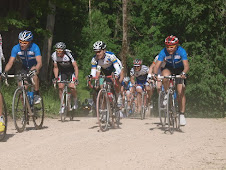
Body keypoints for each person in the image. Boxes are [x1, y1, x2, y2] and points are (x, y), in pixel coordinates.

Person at [153, 35, 189, 126]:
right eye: (167, 47)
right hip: (169, 68)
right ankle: (166, 93)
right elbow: (157, 65)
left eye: (171, 47)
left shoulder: (181, 51)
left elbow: (186, 66)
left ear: (176, 45)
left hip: (180, 69)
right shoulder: (163, 52)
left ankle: (181, 114)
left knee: (181, 92)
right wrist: (155, 74)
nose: (169, 49)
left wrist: (184, 73)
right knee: (165, 76)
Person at [2, 30, 42, 104]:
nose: (22, 44)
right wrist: (5, 71)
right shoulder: (16, 48)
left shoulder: (35, 47)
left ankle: (36, 94)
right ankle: (26, 110)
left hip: (34, 66)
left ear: (29, 42)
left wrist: (35, 69)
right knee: (22, 88)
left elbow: (39, 62)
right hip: (24, 67)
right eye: (20, 42)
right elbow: (10, 62)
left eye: (25, 43)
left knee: (34, 75)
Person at [52, 42, 79, 113]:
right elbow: (55, 67)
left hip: (71, 71)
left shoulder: (69, 54)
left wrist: (76, 78)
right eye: (57, 51)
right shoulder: (54, 55)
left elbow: (75, 67)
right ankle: (62, 106)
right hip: (63, 72)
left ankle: (75, 101)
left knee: (72, 87)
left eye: (60, 51)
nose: (58, 53)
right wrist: (56, 77)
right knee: (60, 87)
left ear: (63, 51)